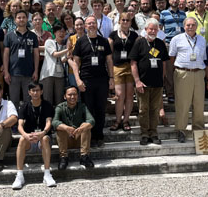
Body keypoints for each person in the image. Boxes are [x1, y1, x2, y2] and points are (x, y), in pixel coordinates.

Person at [71, 15, 114, 147]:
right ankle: (89, 136)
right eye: (88, 23)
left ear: (97, 25)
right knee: (88, 110)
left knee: (100, 109)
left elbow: (109, 60)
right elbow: (75, 63)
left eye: (93, 23)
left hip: (102, 80)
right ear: (85, 26)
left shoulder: (104, 41)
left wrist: (112, 78)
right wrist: (78, 80)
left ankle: (99, 136)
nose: (91, 25)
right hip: (86, 80)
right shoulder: (80, 41)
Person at [130, 18, 169, 145]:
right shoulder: (139, 42)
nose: (152, 31)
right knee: (143, 109)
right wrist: (137, 81)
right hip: (143, 83)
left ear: (158, 30)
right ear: (145, 30)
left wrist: (162, 79)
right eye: (150, 29)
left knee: (155, 109)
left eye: (155, 29)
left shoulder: (160, 43)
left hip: (157, 83)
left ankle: (154, 133)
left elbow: (163, 63)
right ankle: (144, 134)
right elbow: (133, 63)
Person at [12, 82, 57, 189]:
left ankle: (47, 174)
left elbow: (49, 122)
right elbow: (19, 125)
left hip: (43, 140)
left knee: (46, 138)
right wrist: (25, 135)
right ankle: (19, 175)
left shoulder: (47, 105)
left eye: (37, 90)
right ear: (29, 92)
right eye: (33, 90)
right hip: (30, 140)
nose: (35, 93)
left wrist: (43, 133)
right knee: (22, 139)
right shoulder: (24, 106)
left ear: (41, 91)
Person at [169, 17, 207, 143]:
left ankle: (198, 130)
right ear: (184, 26)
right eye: (188, 25)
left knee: (199, 103)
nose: (190, 27)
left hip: (199, 72)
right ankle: (181, 130)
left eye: (192, 25)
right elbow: (172, 57)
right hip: (183, 73)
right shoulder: (176, 39)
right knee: (183, 103)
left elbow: (204, 58)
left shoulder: (202, 39)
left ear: (196, 26)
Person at [108, 12, 139, 131]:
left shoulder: (134, 35)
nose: (125, 22)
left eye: (127, 20)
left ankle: (126, 120)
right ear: (119, 21)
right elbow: (109, 55)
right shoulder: (113, 35)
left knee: (130, 96)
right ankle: (117, 120)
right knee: (120, 96)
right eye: (123, 20)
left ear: (131, 22)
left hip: (130, 66)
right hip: (117, 67)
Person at [52, 85, 95, 169]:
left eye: (75, 94)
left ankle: (84, 156)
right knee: (60, 128)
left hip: (79, 138)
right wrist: (67, 128)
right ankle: (63, 157)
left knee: (85, 126)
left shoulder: (82, 106)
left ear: (77, 96)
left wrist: (81, 129)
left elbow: (91, 120)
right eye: (70, 95)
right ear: (65, 96)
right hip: (66, 140)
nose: (72, 97)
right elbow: (54, 122)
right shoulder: (60, 107)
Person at [4, 9, 40, 108]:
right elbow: (6, 54)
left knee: (28, 100)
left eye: (23, 17)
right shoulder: (9, 35)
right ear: (15, 20)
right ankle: (14, 122)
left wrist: (36, 71)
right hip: (13, 73)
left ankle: (27, 121)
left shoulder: (32, 36)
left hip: (29, 73)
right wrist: (6, 72)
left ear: (26, 20)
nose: (21, 19)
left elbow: (36, 54)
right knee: (13, 101)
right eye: (19, 18)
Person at [159, 0, 186, 105]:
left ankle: (180, 93)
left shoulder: (183, 14)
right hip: (169, 44)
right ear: (169, 1)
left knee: (180, 69)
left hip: (182, 44)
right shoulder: (164, 13)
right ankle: (170, 94)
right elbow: (160, 29)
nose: (175, 1)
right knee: (169, 71)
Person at [40, 24, 69, 105]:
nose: (62, 34)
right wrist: (68, 49)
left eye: (63, 32)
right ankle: (47, 117)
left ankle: (58, 117)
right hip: (48, 74)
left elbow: (63, 60)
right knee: (47, 99)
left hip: (60, 75)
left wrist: (68, 55)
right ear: (55, 33)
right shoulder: (49, 42)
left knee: (59, 100)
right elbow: (55, 54)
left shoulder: (64, 46)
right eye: (59, 32)